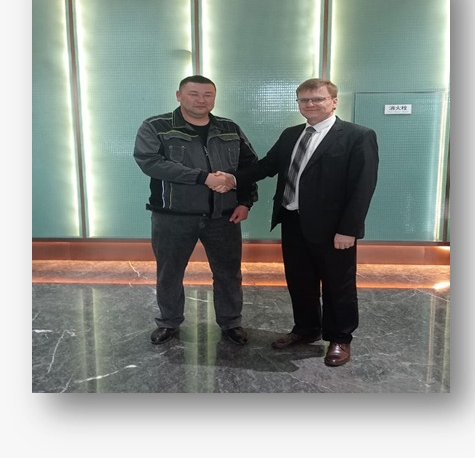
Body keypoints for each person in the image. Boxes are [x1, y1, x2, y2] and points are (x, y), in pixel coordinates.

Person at [214, 78, 379, 366]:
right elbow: (267, 166)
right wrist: (233, 179)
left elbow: (362, 187)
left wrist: (349, 230)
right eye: (304, 100)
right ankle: (306, 329)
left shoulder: (358, 136)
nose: (310, 104)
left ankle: (340, 338)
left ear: (334, 102)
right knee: (300, 280)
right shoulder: (291, 134)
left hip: (334, 229)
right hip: (292, 220)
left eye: (318, 99)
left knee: (338, 285)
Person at [133, 75, 258, 346]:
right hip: (173, 216)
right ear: (179, 95)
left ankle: (231, 322)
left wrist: (245, 202)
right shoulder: (156, 126)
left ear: (214, 97)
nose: (201, 100)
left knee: (228, 273)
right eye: (193, 94)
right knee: (170, 272)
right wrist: (204, 178)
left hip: (223, 216)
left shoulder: (229, 128)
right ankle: (169, 322)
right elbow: (150, 162)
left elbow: (250, 166)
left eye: (207, 95)